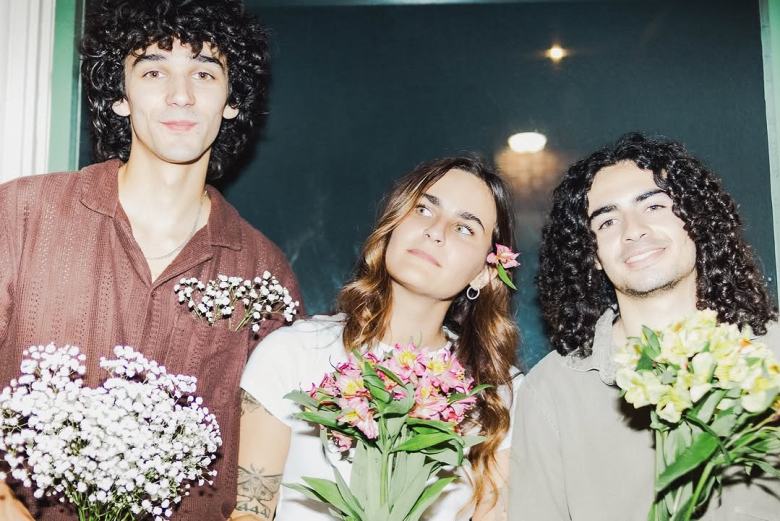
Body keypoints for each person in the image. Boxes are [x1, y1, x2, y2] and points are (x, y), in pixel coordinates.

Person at [0, 0, 302, 519]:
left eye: (205, 73)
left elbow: (270, 465)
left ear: (232, 103)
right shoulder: (20, 218)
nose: (180, 95)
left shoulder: (264, 273)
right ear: (120, 95)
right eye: (154, 70)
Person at [233, 156, 523, 521]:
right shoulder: (292, 353)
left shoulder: (500, 394)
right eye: (423, 209)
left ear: (484, 272)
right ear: (394, 224)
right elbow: (248, 514)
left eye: (465, 228)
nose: (435, 231)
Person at [509, 132, 780, 520]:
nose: (632, 230)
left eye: (653, 206)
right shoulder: (552, 391)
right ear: (593, 257)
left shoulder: (773, 350)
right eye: (607, 221)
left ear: (694, 219)